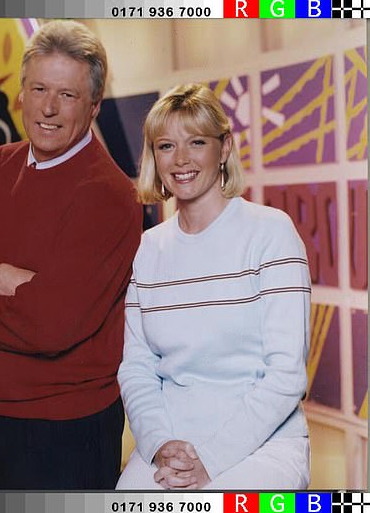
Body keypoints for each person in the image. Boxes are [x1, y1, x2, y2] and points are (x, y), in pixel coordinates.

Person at [0, 20, 142, 489]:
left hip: (69, 433)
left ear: (94, 105)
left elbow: (50, 326)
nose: (48, 107)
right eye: (39, 88)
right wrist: (1, 276)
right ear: (21, 92)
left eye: (67, 95)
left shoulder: (108, 196)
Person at [117, 83, 311, 490]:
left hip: (263, 444)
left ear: (223, 149)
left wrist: (210, 460)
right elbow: (136, 369)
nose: (181, 159)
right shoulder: (149, 248)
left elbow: (286, 376)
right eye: (166, 146)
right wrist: (160, 442)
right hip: (170, 442)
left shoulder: (271, 233)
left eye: (197, 142)